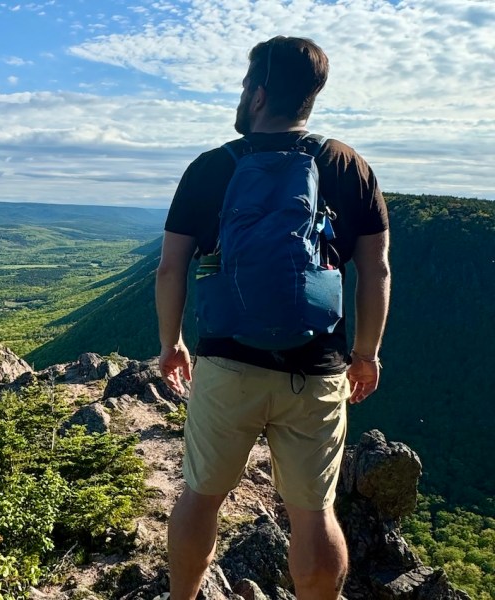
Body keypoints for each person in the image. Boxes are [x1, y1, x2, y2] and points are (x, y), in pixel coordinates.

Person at [155, 36, 390, 600]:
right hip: (316, 369)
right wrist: (365, 354)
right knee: (314, 514)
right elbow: (376, 271)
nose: (241, 93)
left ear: (259, 94)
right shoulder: (346, 165)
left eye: (243, 83)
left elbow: (170, 269)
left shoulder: (213, 167)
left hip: (227, 364)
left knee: (200, 497)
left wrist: (172, 344)